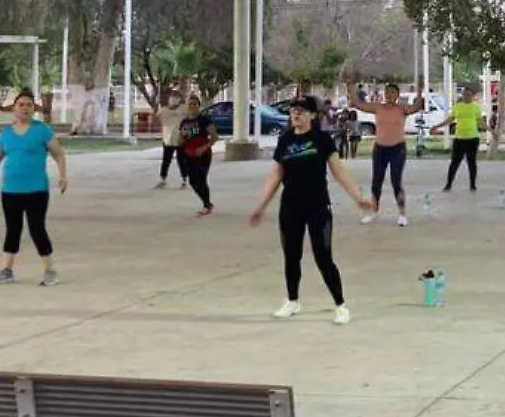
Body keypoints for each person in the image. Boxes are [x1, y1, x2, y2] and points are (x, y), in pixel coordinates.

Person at [248, 96, 375, 324]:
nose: (295, 114)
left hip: (317, 206)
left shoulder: (322, 139)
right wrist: (261, 205)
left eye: (301, 110)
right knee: (291, 255)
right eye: (293, 110)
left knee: (323, 256)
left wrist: (358, 197)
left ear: (313, 115)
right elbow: (276, 174)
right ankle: (292, 301)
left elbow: (338, 171)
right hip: (290, 206)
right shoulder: (285, 140)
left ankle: (341, 305)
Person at [0, 90, 66, 286]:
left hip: (36, 189)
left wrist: (63, 175)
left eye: (29, 105)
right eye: (21, 104)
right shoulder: (6, 133)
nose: (25, 108)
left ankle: (50, 270)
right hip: (10, 190)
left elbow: (59, 154)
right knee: (13, 229)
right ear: (14, 108)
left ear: (34, 109)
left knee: (37, 228)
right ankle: (7, 270)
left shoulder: (42, 130)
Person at [348, 82, 423, 226]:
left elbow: (416, 107)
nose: (389, 95)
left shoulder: (402, 108)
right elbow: (357, 104)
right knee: (376, 182)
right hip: (380, 149)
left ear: (397, 95)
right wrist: (351, 88)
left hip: (397, 149)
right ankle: (373, 212)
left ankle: (402, 214)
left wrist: (419, 92)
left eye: (393, 92)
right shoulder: (378, 107)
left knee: (396, 181)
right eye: (387, 92)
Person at [436, 85, 484, 192]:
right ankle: (448, 184)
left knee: (472, 162)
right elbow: (450, 120)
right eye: (465, 95)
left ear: (472, 96)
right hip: (459, 138)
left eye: (469, 95)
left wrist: (491, 131)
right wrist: (437, 126)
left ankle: (472, 185)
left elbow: (481, 122)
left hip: (472, 138)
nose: (467, 97)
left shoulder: (476, 107)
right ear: (462, 95)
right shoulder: (457, 106)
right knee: (454, 162)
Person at [179, 105, 217, 215]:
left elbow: (214, 137)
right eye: (189, 104)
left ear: (199, 107)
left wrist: (205, 147)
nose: (192, 107)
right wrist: (181, 137)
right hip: (189, 154)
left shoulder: (204, 120)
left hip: (203, 154)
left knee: (201, 179)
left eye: (194, 104)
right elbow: (180, 139)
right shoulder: (184, 122)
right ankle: (208, 204)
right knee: (192, 181)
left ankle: (206, 205)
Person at [153, 92, 188, 190]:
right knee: (166, 159)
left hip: (181, 138)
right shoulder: (164, 110)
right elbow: (156, 119)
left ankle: (184, 180)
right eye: (172, 97)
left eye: (176, 97)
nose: (174, 99)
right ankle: (163, 180)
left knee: (181, 160)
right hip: (168, 138)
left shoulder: (184, 109)